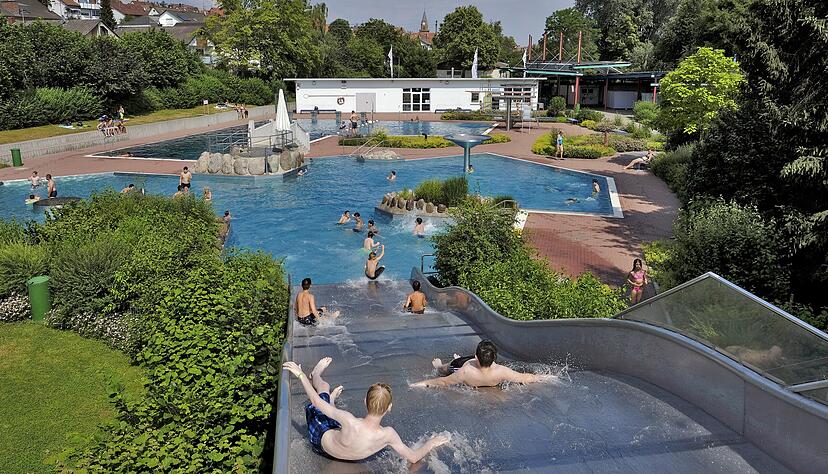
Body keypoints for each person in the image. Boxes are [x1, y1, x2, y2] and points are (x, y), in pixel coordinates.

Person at [282, 357, 450, 462]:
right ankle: (330, 400)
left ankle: (315, 375)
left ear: (364, 401)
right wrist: (431, 443)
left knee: (323, 389)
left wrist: (300, 374)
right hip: (340, 450)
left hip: (319, 440)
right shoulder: (388, 435)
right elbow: (413, 457)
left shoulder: (349, 420)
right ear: (389, 408)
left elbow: (315, 401)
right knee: (333, 414)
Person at [410, 340, 552, 388]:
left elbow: (443, 381)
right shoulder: (501, 371)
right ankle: (446, 362)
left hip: (463, 364)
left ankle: (439, 365)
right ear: (495, 358)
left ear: (476, 357)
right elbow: (525, 378)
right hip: (476, 362)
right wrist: (547, 378)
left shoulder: (466, 371)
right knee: (455, 363)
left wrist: (419, 384)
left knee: (446, 368)